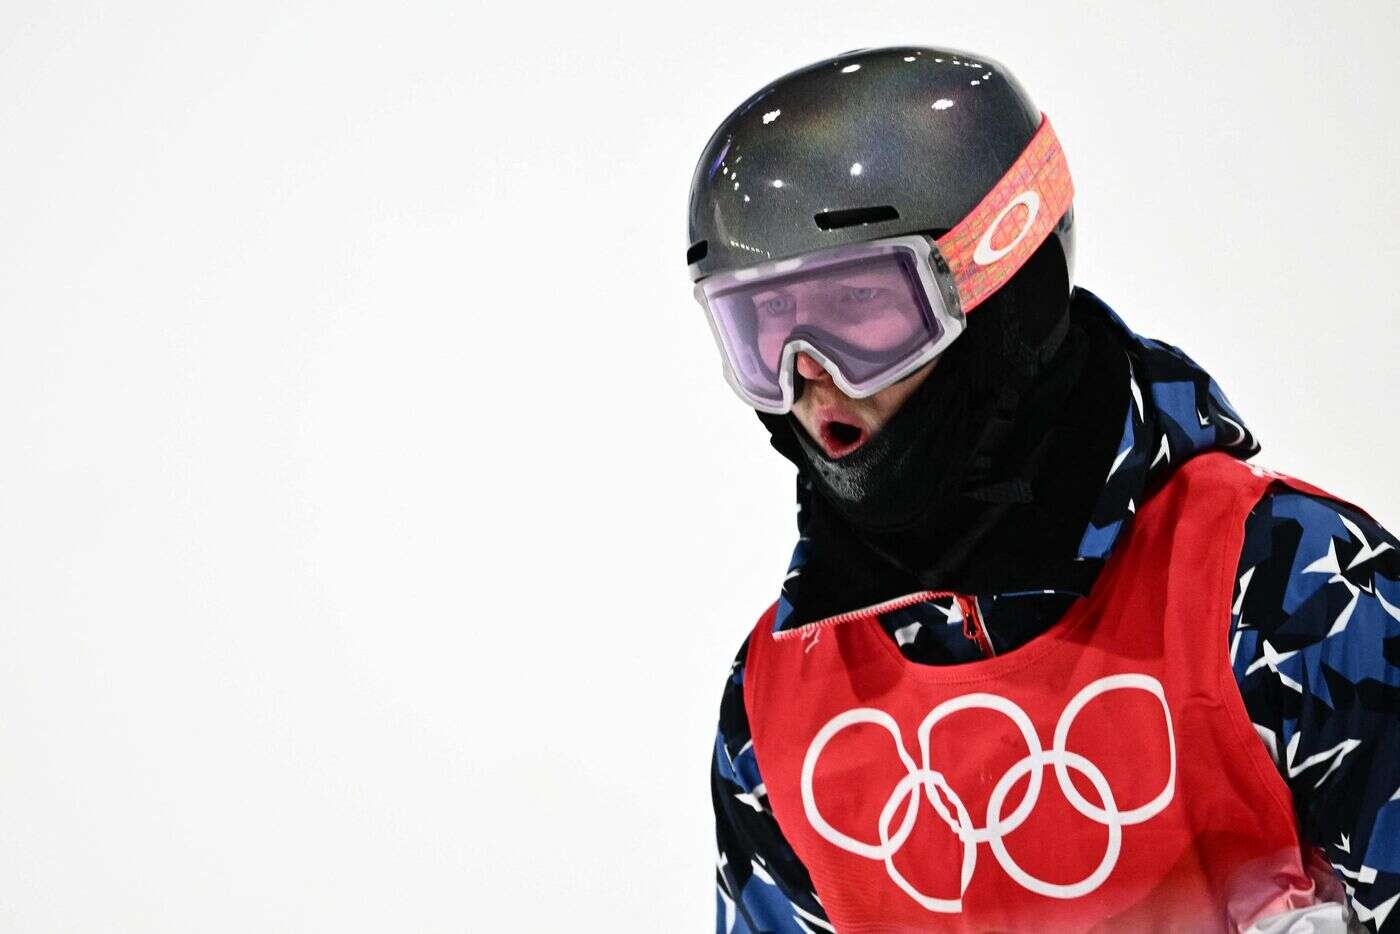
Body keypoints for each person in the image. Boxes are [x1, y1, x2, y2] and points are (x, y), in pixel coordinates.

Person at [686, 46, 1399, 933]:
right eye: (765, 331)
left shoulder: (1295, 593)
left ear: (1004, 288)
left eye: (861, 309)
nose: (812, 381)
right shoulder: (778, 714)